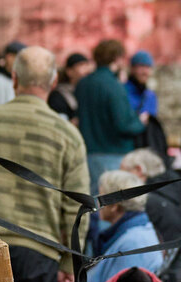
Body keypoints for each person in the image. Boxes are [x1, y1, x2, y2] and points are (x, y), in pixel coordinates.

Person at [0, 46, 90, 282]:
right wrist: (68, 265)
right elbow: (77, 208)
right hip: (39, 253)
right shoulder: (67, 134)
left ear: (14, 78)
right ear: (53, 82)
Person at [67, 170, 163, 282]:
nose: (96, 202)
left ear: (113, 206)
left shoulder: (134, 242)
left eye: (100, 197)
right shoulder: (135, 230)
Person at [75, 39, 147, 194]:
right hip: (113, 153)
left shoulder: (83, 83)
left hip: (89, 152)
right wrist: (140, 122)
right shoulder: (114, 86)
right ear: (117, 58)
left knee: (93, 202)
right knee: (110, 205)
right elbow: (123, 124)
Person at [119, 148, 181, 242]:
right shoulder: (168, 191)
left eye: (124, 172)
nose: (120, 179)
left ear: (138, 170)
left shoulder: (145, 201)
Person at [47, 52, 92, 124]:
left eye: (87, 65)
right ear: (69, 71)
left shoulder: (88, 92)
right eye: (81, 65)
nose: (87, 70)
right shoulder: (59, 95)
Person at [124, 50, 157, 117]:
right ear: (132, 69)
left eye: (148, 67)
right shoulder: (122, 92)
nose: (145, 72)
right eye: (141, 66)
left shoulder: (150, 96)